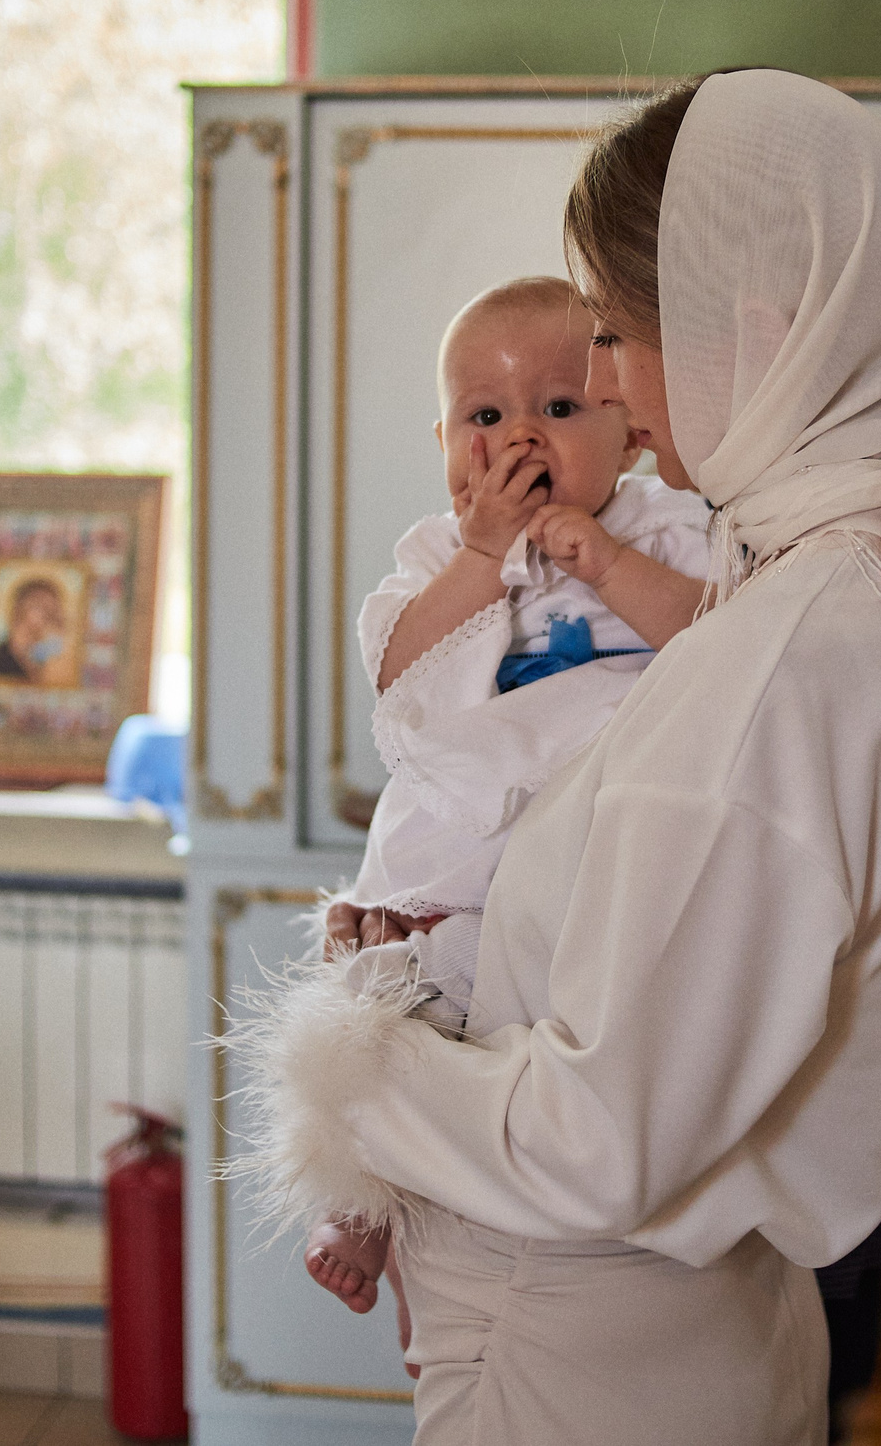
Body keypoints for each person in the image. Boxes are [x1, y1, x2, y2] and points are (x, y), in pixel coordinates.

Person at [231, 70, 881, 1444]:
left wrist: (358, 1044)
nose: (602, 387)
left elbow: (597, 1136)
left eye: (614, 335)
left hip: (573, 1349)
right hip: (703, 1326)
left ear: (753, 329)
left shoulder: (780, 646)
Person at [300, 275, 710, 1323]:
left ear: (629, 429)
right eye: (485, 417)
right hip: (455, 848)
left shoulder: (670, 534)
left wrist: (607, 563)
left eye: (560, 408)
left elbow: (722, 645)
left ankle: (463, 1239)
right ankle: (367, 1207)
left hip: (588, 842)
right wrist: (486, 555)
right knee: (390, 1000)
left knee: (519, 1046)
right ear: (446, 445)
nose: (521, 437)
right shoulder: (442, 551)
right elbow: (396, 669)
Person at [0, 577, 69, 684]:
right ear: (19, 609)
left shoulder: (41, 660)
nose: (49, 618)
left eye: (53, 611)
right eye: (41, 607)